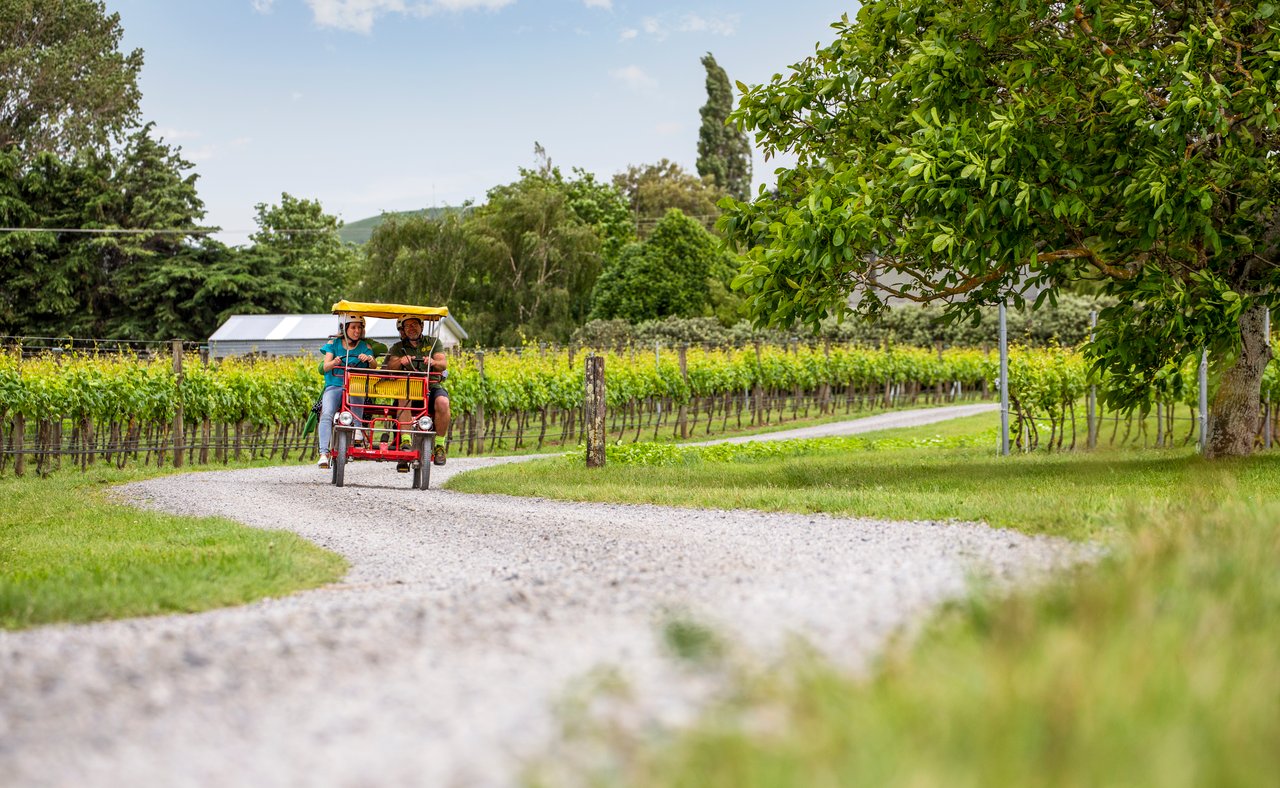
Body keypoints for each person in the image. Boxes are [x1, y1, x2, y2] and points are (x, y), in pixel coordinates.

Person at [383, 315, 451, 468]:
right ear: (403, 329)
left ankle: (439, 446)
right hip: (408, 388)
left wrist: (433, 362)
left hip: (430, 388)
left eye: (414, 324)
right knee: (403, 396)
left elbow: (443, 363)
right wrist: (400, 361)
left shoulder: (433, 343)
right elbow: (389, 367)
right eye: (407, 326)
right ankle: (405, 440)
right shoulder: (398, 347)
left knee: (443, 402)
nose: (411, 328)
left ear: (421, 326)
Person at [317, 315, 376, 468]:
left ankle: (357, 430)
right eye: (353, 327)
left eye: (359, 327)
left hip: (354, 385)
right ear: (345, 328)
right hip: (335, 385)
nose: (357, 331)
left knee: (357, 393)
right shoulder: (333, 344)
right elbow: (325, 367)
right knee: (327, 413)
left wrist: (369, 359)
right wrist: (334, 362)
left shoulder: (365, 347)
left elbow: (374, 366)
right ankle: (324, 453)